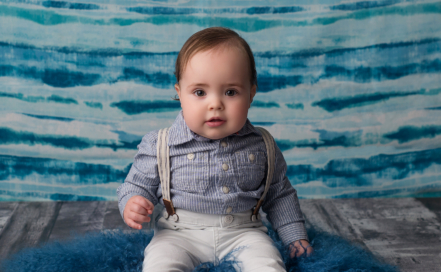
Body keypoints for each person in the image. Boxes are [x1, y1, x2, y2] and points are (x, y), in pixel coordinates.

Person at [117, 27, 313, 271]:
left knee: (267, 263)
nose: (215, 104)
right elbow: (135, 185)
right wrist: (132, 203)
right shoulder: (161, 144)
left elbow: (279, 195)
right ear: (180, 94)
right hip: (178, 235)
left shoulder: (262, 145)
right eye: (200, 92)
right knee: (160, 263)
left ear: (251, 94)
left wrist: (295, 236)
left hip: (244, 233)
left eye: (230, 92)